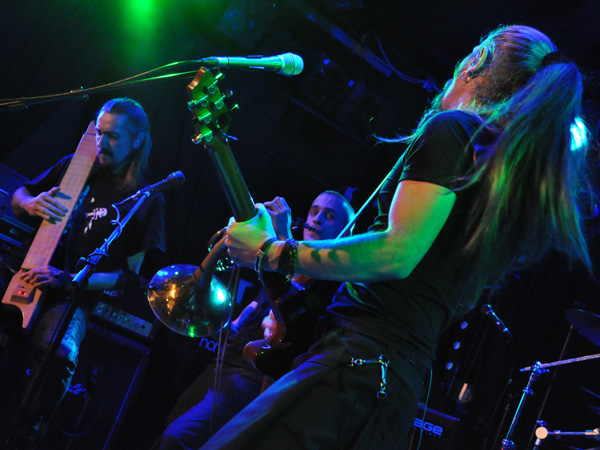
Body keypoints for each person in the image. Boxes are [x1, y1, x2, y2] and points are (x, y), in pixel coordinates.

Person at [209, 24, 595, 449]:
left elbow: (397, 253)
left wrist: (271, 251)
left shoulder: (454, 129)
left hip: (355, 365)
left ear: (476, 62)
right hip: (390, 382)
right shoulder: (498, 178)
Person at [2, 98, 167, 449]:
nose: (101, 143)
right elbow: (19, 195)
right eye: (99, 133)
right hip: (23, 271)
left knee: (60, 355)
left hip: (71, 299)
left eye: (113, 136)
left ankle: (24, 435)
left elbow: (130, 277)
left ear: (137, 141)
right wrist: (30, 203)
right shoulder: (74, 166)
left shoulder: (146, 199)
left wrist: (71, 280)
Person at [152, 190, 355, 450]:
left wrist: (281, 239)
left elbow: (292, 298)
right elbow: (253, 309)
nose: (316, 219)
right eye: (314, 211)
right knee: (170, 426)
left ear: (346, 232)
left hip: (253, 377)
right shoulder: (283, 257)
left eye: (329, 216)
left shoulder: (333, 281)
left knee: (178, 438)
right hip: (227, 362)